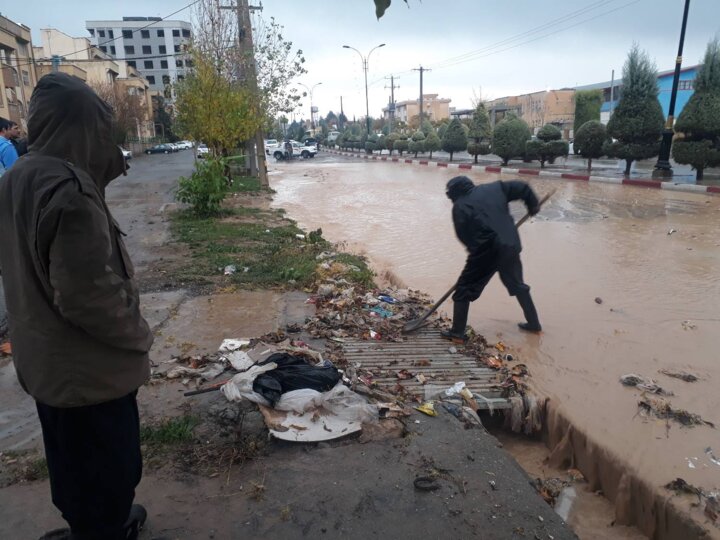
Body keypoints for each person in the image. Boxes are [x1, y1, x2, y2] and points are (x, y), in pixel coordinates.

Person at [0, 73, 152, 540]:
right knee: (108, 470)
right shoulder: (70, 189)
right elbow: (87, 296)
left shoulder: (15, 178)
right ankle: (102, 530)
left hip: (44, 365)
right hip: (90, 376)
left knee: (71, 465)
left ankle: (90, 527)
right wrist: (138, 335)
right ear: (85, 127)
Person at [442, 176, 542, 342]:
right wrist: (533, 205)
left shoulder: (459, 206)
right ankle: (534, 324)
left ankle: (457, 333)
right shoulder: (495, 188)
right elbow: (523, 188)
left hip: (486, 252)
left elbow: (464, 236)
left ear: (454, 192)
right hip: (510, 245)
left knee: (463, 291)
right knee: (518, 286)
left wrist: (476, 255)